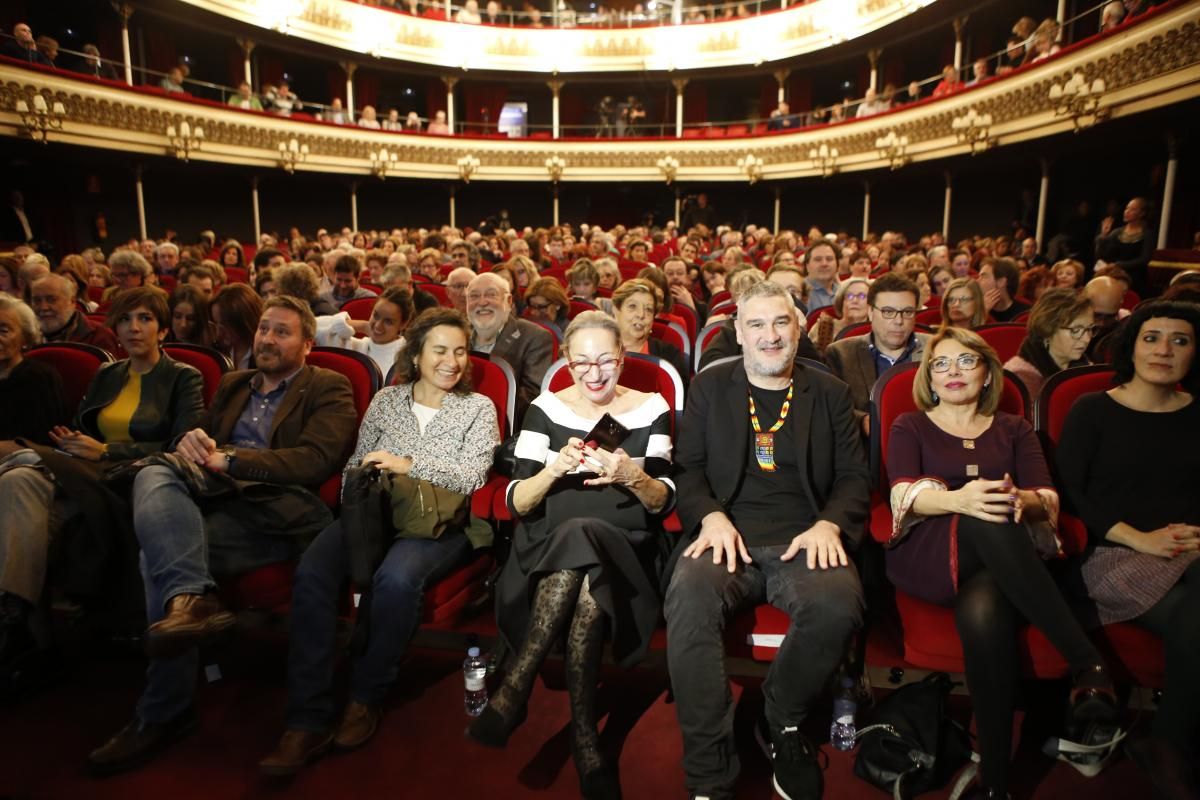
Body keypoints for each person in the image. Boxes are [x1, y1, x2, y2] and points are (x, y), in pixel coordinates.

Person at [88, 296, 358, 775]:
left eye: (282, 332)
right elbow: (198, 439)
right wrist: (191, 442)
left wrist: (231, 459)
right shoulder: (234, 383)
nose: (267, 340)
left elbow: (316, 459)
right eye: (263, 331)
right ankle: (191, 604)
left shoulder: (327, 386)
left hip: (279, 511)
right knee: (156, 476)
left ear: (307, 344)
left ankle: (163, 709)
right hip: (218, 501)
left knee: (156, 553)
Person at [260, 308, 497, 775]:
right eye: (440, 351)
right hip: (376, 513)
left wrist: (407, 465)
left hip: (439, 523)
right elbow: (354, 464)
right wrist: (363, 494)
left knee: (395, 579)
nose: (451, 361)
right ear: (417, 353)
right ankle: (306, 718)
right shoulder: (388, 400)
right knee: (313, 571)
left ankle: (365, 695)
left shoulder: (477, 407)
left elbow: (473, 475)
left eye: (460, 351)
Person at [886, 326, 1118, 798]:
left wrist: (1022, 501)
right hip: (931, 552)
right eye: (941, 364)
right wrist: (962, 500)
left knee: (984, 609)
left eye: (966, 362)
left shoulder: (1014, 429)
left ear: (988, 374)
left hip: (1002, 562)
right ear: (929, 378)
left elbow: (1045, 495)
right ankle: (1087, 664)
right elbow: (903, 495)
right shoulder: (910, 424)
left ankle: (994, 780)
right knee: (985, 514)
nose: (953, 372)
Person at [666, 280, 869, 800]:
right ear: (738, 332)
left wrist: (829, 525)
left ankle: (785, 719)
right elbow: (687, 469)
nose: (770, 335)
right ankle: (709, 771)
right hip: (725, 535)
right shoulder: (711, 387)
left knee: (838, 605)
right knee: (688, 598)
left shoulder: (829, 393)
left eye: (781, 322)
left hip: (805, 537)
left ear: (799, 329)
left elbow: (853, 477)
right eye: (756, 324)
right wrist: (709, 516)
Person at [468, 311, 674, 798]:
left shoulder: (652, 407)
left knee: (586, 546)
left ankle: (517, 684)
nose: (595, 373)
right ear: (566, 362)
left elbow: (662, 500)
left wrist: (631, 475)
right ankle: (586, 738)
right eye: (582, 363)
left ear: (622, 358)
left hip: (626, 543)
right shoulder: (545, 408)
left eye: (606, 360)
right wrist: (553, 470)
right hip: (545, 545)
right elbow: (517, 502)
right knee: (585, 586)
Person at [0, 289, 204, 674]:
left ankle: (23, 631)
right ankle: (16, 620)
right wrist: (74, 442)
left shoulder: (181, 377)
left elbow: (181, 444)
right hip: (84, 473)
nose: (133, 328)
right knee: (17, 481)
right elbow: (82, 429)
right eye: (125, 320)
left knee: (23, 482)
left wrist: (107, 451)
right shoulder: (108, 373)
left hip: (135, 477)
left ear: (162, 330)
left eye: (144, 319)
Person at [1056, 301, 1200, 799]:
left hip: (1187, 551)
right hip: (1108, 555)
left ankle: (1168, 743)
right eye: (1152, 337)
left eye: (1180, 340)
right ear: (1132, 346)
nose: (1164, 349)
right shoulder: (1092, 409)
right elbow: (1069, 493)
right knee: (1193, 613)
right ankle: (1170, 743)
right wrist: (1140, 539)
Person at [826, 273, 929, 436]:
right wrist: (861, 421)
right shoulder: (841, 354)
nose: (899, 321)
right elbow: (830, 408)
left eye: (907, 312)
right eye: (888, 312)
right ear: (871, 312)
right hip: (865, 452)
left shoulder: (937, 349)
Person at [465, 272, 554, 423]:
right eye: (474, 296)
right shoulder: (458, 336)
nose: (482, 302)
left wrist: (475, 414)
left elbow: (532, 398)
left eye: (491, 295)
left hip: (506, 429)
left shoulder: (535, 337)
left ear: (508, 301)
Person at [0, 296, 68, 450]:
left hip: (25, 463)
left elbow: (39, 442)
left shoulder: (39, 378)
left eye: (3, 330)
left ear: (26, 338)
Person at [1003, 288, 1095, 399]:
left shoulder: (1087, 369)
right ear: (1048, 329)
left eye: (1089, 329)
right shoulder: (1022, 377)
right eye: (1076, 330)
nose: (1086, 339)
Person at [316, 287, 414, 379]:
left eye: (388, 321)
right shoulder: (356, 346)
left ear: (403, 324)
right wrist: (362, 326)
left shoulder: (409, 357)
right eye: (376, 315)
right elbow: (310, 325)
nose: (378, 326)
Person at [612, 279, 689, 385]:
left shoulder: (669, 356)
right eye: (632, 306)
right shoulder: (597, 348)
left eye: (648, 310)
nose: (641, 315)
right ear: (616, 310)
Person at [30, 273, 120, 353]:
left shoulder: (99, 336)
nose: (43, 307)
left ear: (72, 301)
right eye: (36, 301)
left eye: (51, 300)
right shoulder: (25, 336)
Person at [1095, 197, 1154, 295]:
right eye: (1127, 208)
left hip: (1136, 278)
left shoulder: (1147, 233)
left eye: (1132, 209)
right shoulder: (1117, 232)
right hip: (1116, 276)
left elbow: (1144, 259)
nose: (1127, 211)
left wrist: (1118, 264)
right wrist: (1103, 236)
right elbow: (1102, 256)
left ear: (1142, 213)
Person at [210, 283, 263, 370]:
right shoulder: (216, 351)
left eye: (224, 325)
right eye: (215, 323)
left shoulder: (263, 354)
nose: (218, 333)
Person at [812, 277, 870, 353]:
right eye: (849, 296)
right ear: (841, 302)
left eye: (862, 296)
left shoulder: (877, 330)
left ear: (871, 304)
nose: (854, 301)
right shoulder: (822, 326)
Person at [978, 257, 1030, 323]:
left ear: (1001, 282)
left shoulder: (1026, 315)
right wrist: (983, 312)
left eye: (983, 276)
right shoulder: (974, 309)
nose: (977, 281)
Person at [803, 239, 841, 312]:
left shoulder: (844, 292)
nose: (824, 264)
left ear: (837, 265)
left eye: (829, 259)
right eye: (818, 259)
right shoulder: (800, 292)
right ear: (807, 266)